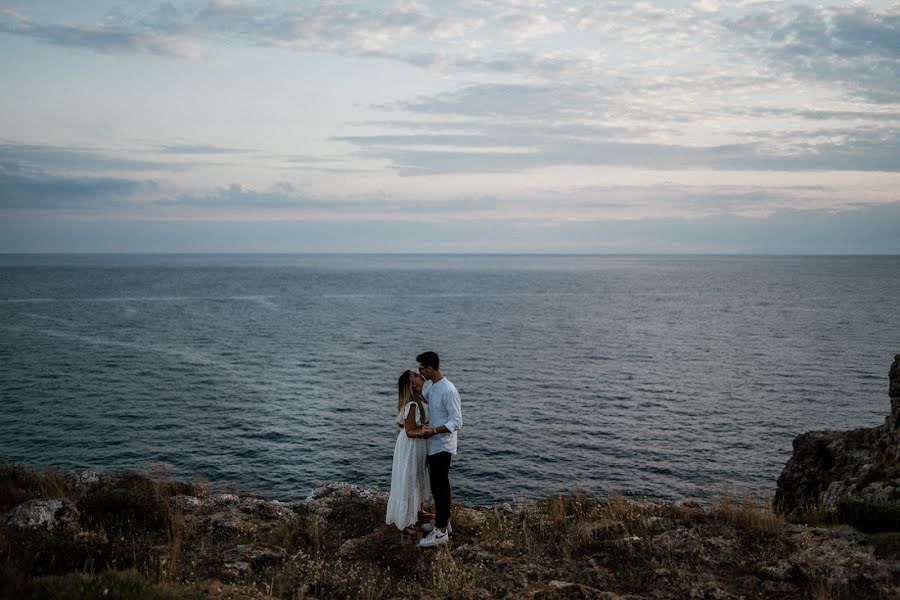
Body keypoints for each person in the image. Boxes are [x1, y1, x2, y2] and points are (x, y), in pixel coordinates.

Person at [416, 351, 462, 547]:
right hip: (433, 444)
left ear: (430, 367)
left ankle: (441, 532)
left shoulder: (448, 389)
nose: (420, 373)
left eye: (421, 369)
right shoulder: (433, 387)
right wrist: (414, 389)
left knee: (440, 487)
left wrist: (433, 430)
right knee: (438, 486)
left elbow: (457, 421)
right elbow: (428, 402)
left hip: (442, 445)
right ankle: (444, 522)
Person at [385, 369, 431, 532]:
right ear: (412, 384)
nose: (420, 375)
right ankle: (406, 521)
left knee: (418, 475)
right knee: (409, 477)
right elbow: (409, 431)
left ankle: (418, 509)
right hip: (411, 445)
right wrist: (423, 431)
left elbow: (402, 424)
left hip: (417, 445)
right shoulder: (412, 404)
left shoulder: (420, 398)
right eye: (416, 376)